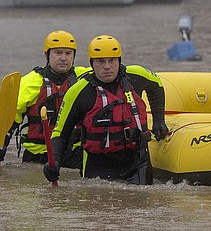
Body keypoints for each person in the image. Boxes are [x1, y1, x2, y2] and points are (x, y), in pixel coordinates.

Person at [42, 35, 169, 185]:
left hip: (137, 162)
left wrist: (159, 119)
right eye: (101, 61)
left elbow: (157, 86)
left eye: (112, 60)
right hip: (97, 166)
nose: (107, 66)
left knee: (141, 202)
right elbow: (60, 133)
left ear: (119, 60)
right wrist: (54, 162)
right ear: (92, 63)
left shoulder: (136, 75)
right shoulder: (78, 91)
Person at [0, 30, 88, 168]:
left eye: (68, 53)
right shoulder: (30, 82)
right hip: (38, 156)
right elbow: (12, 117)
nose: (63, 58)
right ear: (47, 55)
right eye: (58, 53)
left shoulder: (84, 78)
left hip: (74, 154)